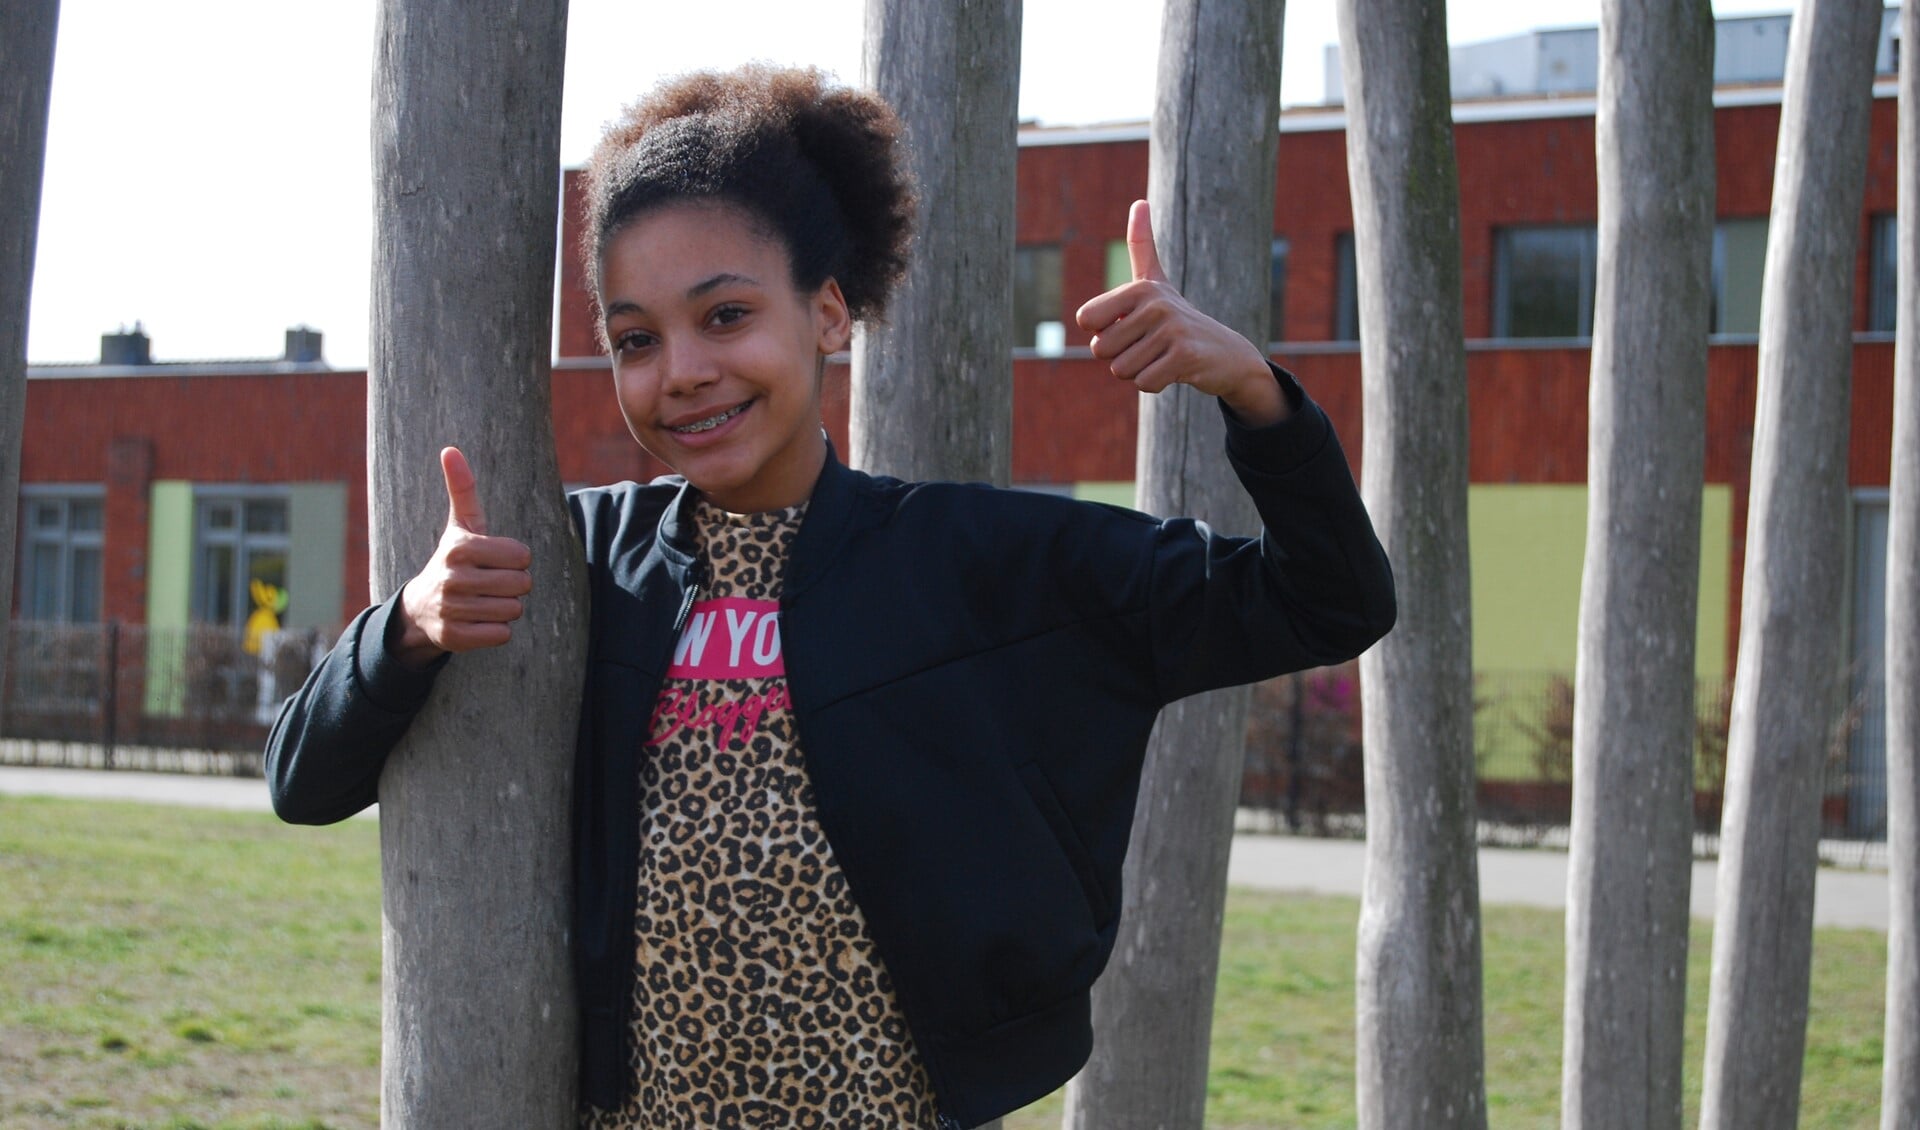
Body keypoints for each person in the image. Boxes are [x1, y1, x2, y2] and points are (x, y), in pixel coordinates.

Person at [266, 64, 1395, 1130]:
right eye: (635, 339)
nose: (682, 372)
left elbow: (1331, 601)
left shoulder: (975, 562)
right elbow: (302, 779)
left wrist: (1251, 391)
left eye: (725, 316)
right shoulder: (576, 564)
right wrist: (406, 627)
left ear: (828, 314)